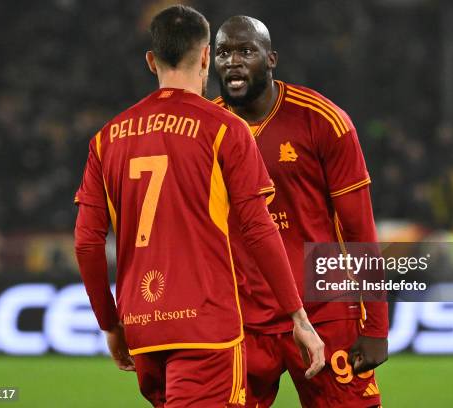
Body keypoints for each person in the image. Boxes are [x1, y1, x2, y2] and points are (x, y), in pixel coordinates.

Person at [73, 6, 324, 407]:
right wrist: (298, 316)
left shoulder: (106, 139)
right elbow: (259, 229)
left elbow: (87, 244)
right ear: (207, 56)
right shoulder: (225, 128)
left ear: (152, 60)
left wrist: (110, 324)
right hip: (206, 328)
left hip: (142, 326)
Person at [213, 16, 389, 408]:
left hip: (325, 309)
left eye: (246, 51)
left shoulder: (322, 120)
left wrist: (376, 324)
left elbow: (359, 227)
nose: (233, 62)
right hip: (242, 319)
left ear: (271, 58)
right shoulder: (207, 128)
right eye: (223, 52)